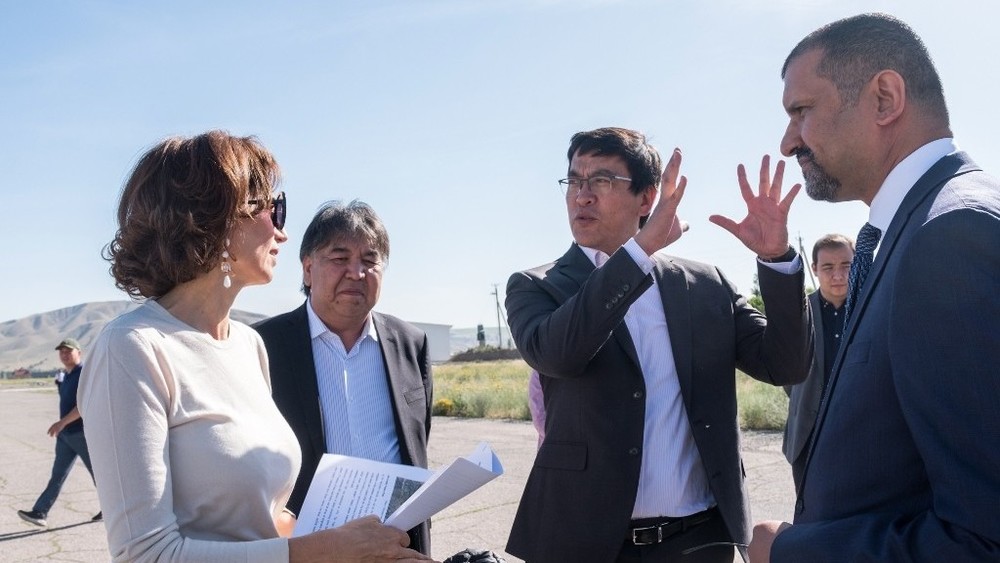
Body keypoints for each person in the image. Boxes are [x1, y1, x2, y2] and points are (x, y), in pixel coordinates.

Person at [77, 131, 431, 563]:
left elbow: (267, 519)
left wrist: (366, 548)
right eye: (272, 208)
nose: (282, 232)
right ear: (214, 218)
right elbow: (146, 555)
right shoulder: (132, 349)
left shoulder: (247, 345)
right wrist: (327, 549)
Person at [750, 13, 1000, 562]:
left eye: (801, 111)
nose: (788, 142)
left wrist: (790, 552)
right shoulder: (916, 229)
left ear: (885, 98)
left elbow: (983, 541)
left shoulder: (951, 235)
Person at [504, 126, 812, 563]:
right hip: (585, 544)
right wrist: (638, 252)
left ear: (646, 198)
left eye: (601, 180)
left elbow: (785, 365)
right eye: (573, 180)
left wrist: (776, 260)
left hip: (700, 540)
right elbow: (558, 354)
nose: (582, 196)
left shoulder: (704, 284)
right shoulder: (537, 286)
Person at [255, 200, 434, 554]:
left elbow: (417, 439)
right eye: (340, 258)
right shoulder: (262, 345)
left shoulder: (411, 344)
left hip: (399, 545)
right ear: (308, 269)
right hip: (307, 549)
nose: (357, 272)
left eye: (370, 260)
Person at [781, 234, 853, 489]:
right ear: (814, 269)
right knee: (809, 509)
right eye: (828, 267)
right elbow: (786, 375)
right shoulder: (797, 313)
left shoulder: (871, 308)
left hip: (860, 433)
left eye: (846, 265)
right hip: (807, 436)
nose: (838, 275)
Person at [17, 337, 101, 527]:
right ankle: (40, 512)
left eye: (68, 351)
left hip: (82, 434)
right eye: (61, 351)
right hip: (66, 436)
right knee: (58, 475)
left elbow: (82, 406)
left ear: (79, 353)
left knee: (99, 474)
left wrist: (61, 423)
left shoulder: (83, 374)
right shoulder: (66, 375)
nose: (64, 354)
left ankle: (115, 508)